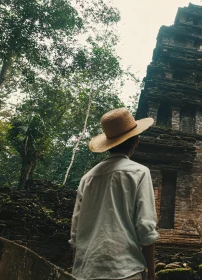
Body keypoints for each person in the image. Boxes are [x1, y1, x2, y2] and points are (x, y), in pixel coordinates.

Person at [69, 108, 159, 280]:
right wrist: (151, 274)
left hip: (85, 272)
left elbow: (75, 234)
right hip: (124, 270)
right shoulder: (139, 172)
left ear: (108, 144)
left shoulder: (87, 178)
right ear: (136, 140)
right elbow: (146, 227)